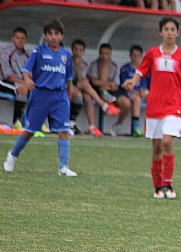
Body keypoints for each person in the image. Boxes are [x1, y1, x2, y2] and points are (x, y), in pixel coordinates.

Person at [123, 17, 181, 199]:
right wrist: (133, 81)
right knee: (156, 147)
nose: (170, 32)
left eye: (173, 29)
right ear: (161, 32)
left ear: (178, 33)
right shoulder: (152, 53)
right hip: (155, 106)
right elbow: (141, 71)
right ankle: (157, 186)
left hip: (174, 106)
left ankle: (168, 184)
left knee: (167, 142)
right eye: (166, 29)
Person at [3, 19, 77, 177]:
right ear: (45, 35)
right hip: (41, 95)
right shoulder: (39, 51)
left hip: (60, 96)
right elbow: (26, 69)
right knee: (30, 131)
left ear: (62, 36)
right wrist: (27, 79)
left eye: (56, 34)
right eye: (50, 34)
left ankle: (63, 167)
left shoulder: (66, 55)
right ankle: (13, 155)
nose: (53, 37)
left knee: (63, 130)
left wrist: (69, 95)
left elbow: (69, 78)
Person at [68, 39, 120, 138]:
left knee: (86, 96)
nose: (78, 52)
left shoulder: (84, 64)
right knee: (85, 85)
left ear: (83, 52)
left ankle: (91, 126)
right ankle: (103, 104)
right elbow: (90, 81)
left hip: (81, 89)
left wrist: (79, 67)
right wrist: (71, 87)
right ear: (72, 50)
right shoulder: (68, 61)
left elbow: (80, 81)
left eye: (80, 50)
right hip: (69, 87)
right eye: (75, 50)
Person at [88, 43, 131, 137]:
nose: (104, 56)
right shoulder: (94, 65)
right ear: (99, 54)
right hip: (98, 90)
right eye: (102, 53)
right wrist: (107, 84)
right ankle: (107, 102)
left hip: (111, 90)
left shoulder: (115, 66)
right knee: (100, 89)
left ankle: (118, 125)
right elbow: (94, 81)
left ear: (110, 54)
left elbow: (115, 85)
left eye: (107, 53)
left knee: (126, 103)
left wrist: (107, 85)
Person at [0, 28, 30, 129]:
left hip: (20, 83)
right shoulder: (6, 53)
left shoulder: (27, 55)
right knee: (23, 88)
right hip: (3, 82)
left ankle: (38, 122)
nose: (20, 40)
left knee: (41, 91)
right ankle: (17, 121)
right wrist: (25, 82)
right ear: (12, 39)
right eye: (17, 38)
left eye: (22, 38)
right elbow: (8, 76)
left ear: (25, 40)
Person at [118, 44, 148, 137]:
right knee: (136, 99)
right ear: (130, 55)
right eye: (134, 55)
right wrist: (138, 93)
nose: (136, 58)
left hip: (139, 95)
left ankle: (151, 130)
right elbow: (125, 85)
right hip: (126, 94)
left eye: (138, 55)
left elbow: (144, 85)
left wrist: (143, 92)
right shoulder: (125, 68)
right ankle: (136, 128)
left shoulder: (144, 69)